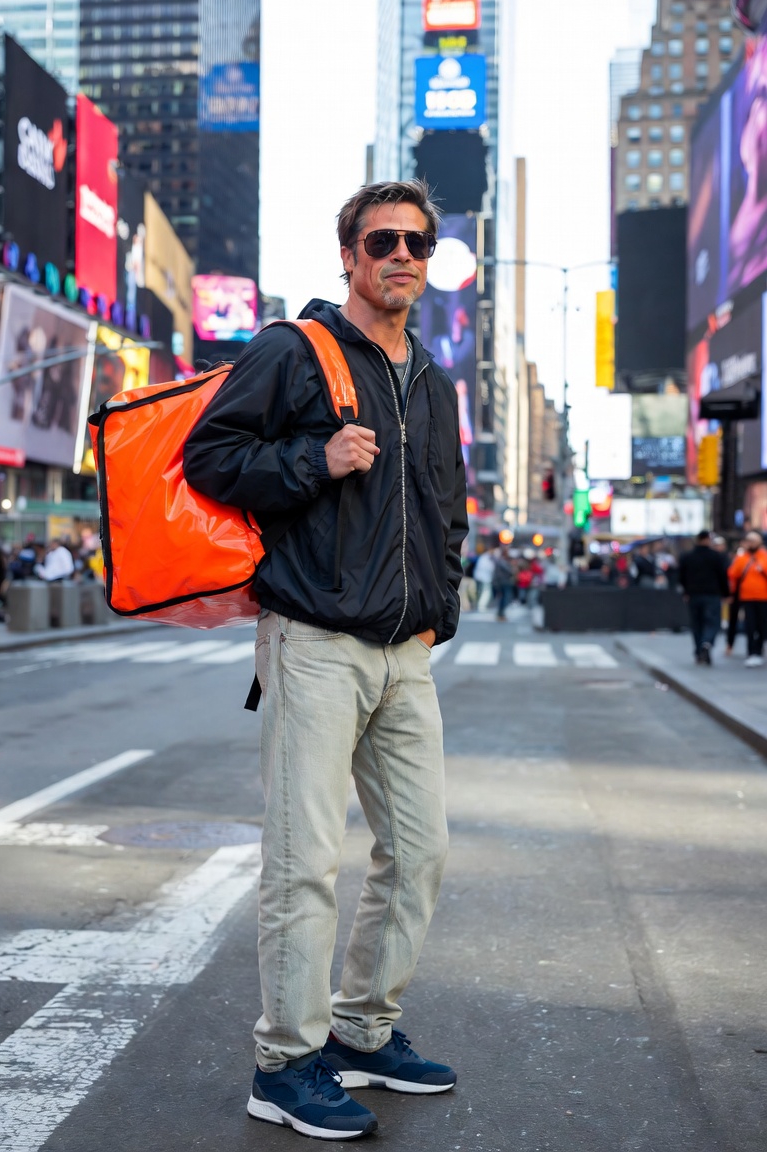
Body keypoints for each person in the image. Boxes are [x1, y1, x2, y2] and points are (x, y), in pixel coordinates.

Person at [184, 179, 467, 1141]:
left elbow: (447, 510)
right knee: (304, 862)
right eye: (382, 241)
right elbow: (209, 457)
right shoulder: (293, 350)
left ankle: (361, 1032)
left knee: (420, 850)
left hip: (403, 652)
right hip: (313, 641)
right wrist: (316, 459)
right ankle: (284, 1063)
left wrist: (439, 613)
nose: (402, 256)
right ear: (348, 256)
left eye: (417, 243)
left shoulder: (433, 382)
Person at [678, 530, 730, 665]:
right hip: (712, 594)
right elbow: (723, 576)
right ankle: (706, 643)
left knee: (697, 623)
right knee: (713, 622)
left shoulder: (687, 556)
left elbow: (681, 576)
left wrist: (686, 591)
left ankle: (699, 651)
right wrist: (726, 593)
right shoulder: (716, 556)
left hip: (694, 595)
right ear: (707, 540)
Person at [728, 530, 767, 667]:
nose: (751, 543)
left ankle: (758, 650)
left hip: (763, 597)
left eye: (753, 541)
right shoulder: (741, 557)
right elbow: (732, 574)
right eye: (749, 541)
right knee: (750, 625)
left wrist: (761, 568)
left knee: (762, 626)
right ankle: (751, 652)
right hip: (747, 597)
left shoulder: (764, 556)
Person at [492, 546, 514, 620]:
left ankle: (501, 613)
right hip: (503, 582)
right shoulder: (502, 561)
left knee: (504, 598)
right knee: (505, 598)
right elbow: (510, 571)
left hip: (502, 582)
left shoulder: (500, 561)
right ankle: (501, 614)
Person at [473, 544, 496, 612]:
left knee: (482, 591)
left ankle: (481, 606)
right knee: (486, 592)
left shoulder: (484, 557)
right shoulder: (486, 558)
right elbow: (489, 568)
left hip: (482, 577)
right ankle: (481, 606)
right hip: (484, 578)